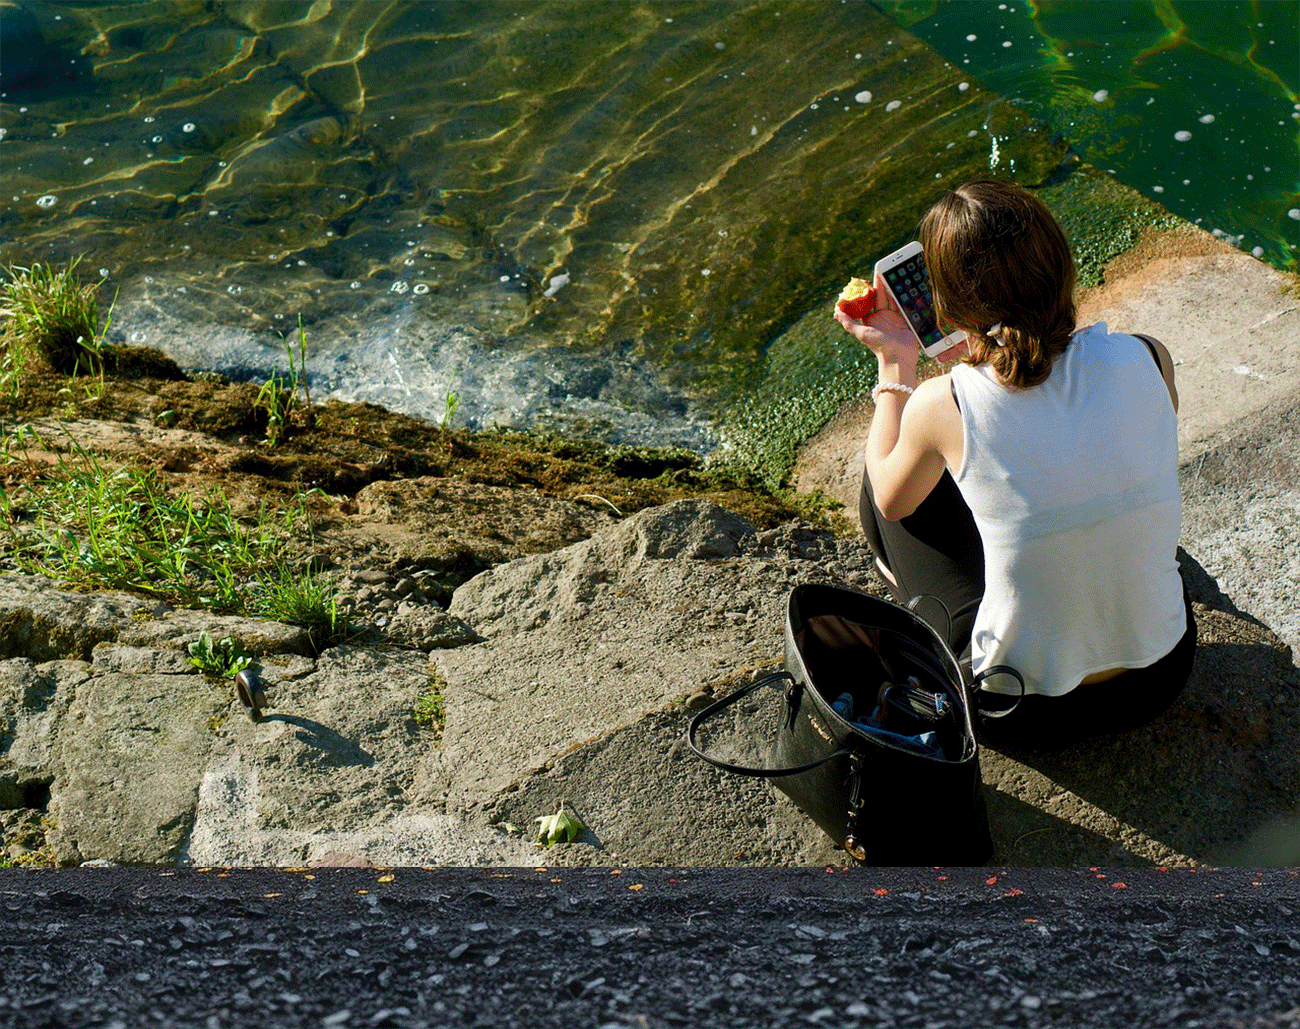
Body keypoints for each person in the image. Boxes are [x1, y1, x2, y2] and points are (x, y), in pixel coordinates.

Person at [833, 179, 1196, 747]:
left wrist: (896, 366)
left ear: (950, 302)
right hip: (1162, 672)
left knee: (889, 472)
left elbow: (890, 498)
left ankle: (921, 596)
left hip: (1025, 715)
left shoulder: (944, 403)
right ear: (1062, 266)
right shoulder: (1148, 355)